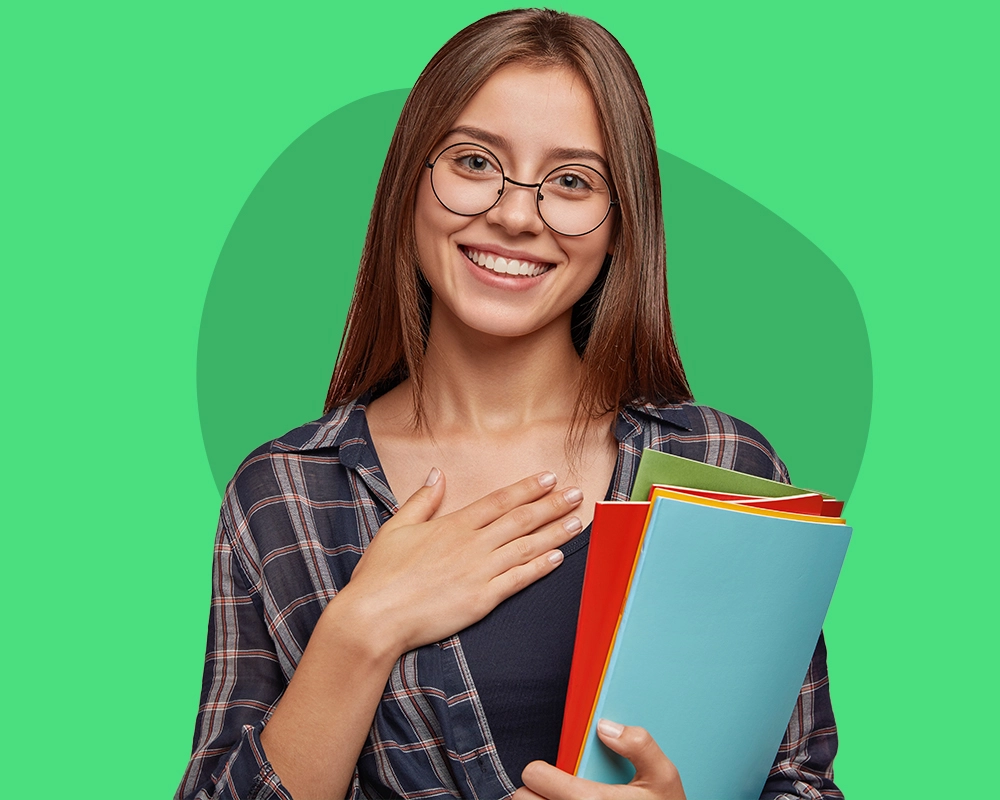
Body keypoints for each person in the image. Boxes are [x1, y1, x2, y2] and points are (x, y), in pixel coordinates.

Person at [176, 9, 842, 800]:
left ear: (621, 223)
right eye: (474, 161)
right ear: (409, 182)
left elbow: (803, 782)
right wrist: (361, 629)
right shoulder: (285, 492)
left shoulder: (722, 467)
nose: (516, 215)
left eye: (572, 181)